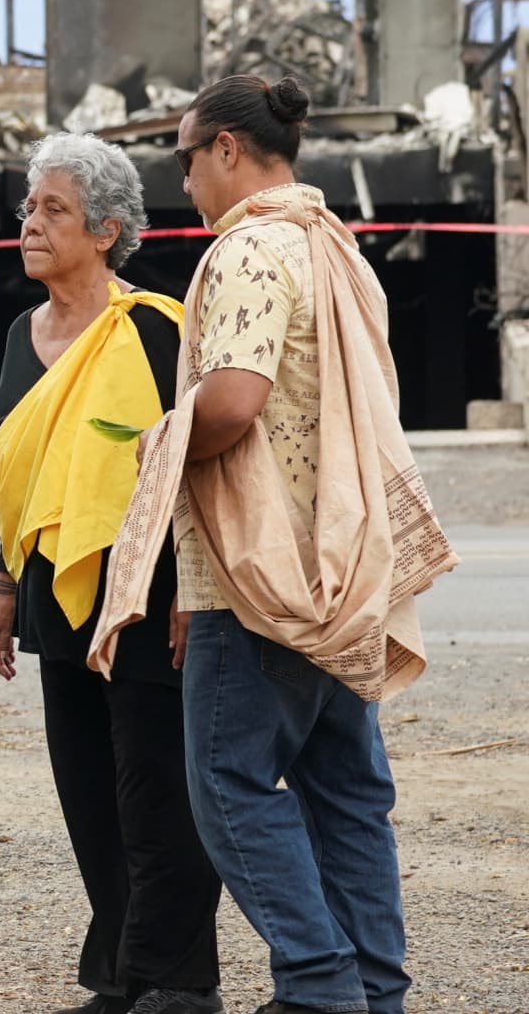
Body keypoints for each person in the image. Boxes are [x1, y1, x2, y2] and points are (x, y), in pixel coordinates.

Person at [90, 75, 459, 1014]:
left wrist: (158, 445)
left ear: (226, 150)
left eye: (185, 156)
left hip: (253, 573)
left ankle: (317, 984)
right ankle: (375, 990)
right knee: (344, 792)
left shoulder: (251, 249)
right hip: (341, 557)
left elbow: (236, 399)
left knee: (228, 785)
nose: (184, 179)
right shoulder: (334, 248)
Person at [0, 133, 223, 1014]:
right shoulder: (19, 335)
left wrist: (198, 585)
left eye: (53, 210)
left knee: (154, 785)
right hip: (51, 589)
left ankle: (184, 981)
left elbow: (198, 472)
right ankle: (125, 975)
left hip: (147, 591)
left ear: (107, 229)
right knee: (87, 793)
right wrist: (6, 588)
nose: (30, 224)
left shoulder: (155, 330)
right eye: (28, 208)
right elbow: (19, 471)